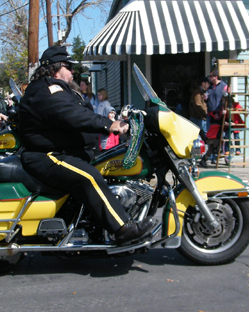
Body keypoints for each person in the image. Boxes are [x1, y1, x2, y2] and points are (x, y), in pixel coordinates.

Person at [18, 45, 154, 246]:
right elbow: (71, 114)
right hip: (47, 156)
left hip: (64, 152)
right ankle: (123, 229)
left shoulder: (60, 89)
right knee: (88, 176)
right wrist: (110, 125)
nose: (73, 71)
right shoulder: (47, 89)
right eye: (69, 66)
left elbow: (83, 113)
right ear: (56, 67)